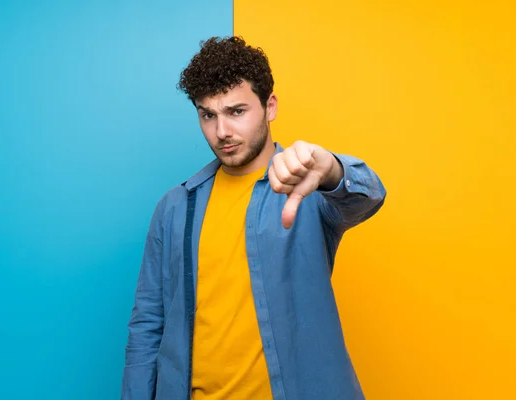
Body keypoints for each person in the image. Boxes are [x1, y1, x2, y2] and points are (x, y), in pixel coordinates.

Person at [121, 36, 386, 400]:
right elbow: (148, 324)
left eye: (237, 111)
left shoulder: (307, 190)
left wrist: (331, 169)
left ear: (270, 106)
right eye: (207, 115)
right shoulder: (175, 207)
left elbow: (368, 196)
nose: (222, 132)